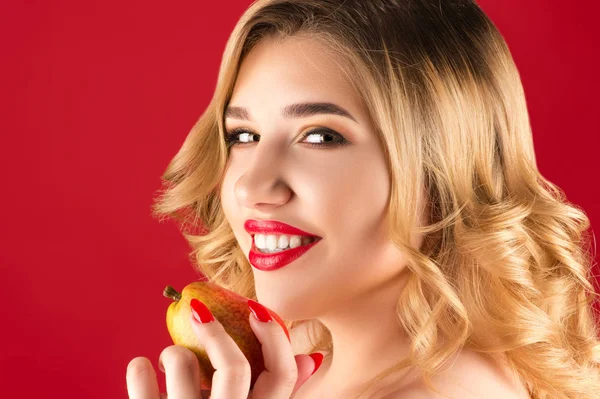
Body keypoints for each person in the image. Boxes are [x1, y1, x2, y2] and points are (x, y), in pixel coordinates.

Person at [126, 0, 600, 398]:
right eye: (244, 134)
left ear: (442, 168)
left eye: (320, 137)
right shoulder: (302, 365)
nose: (251, 186)